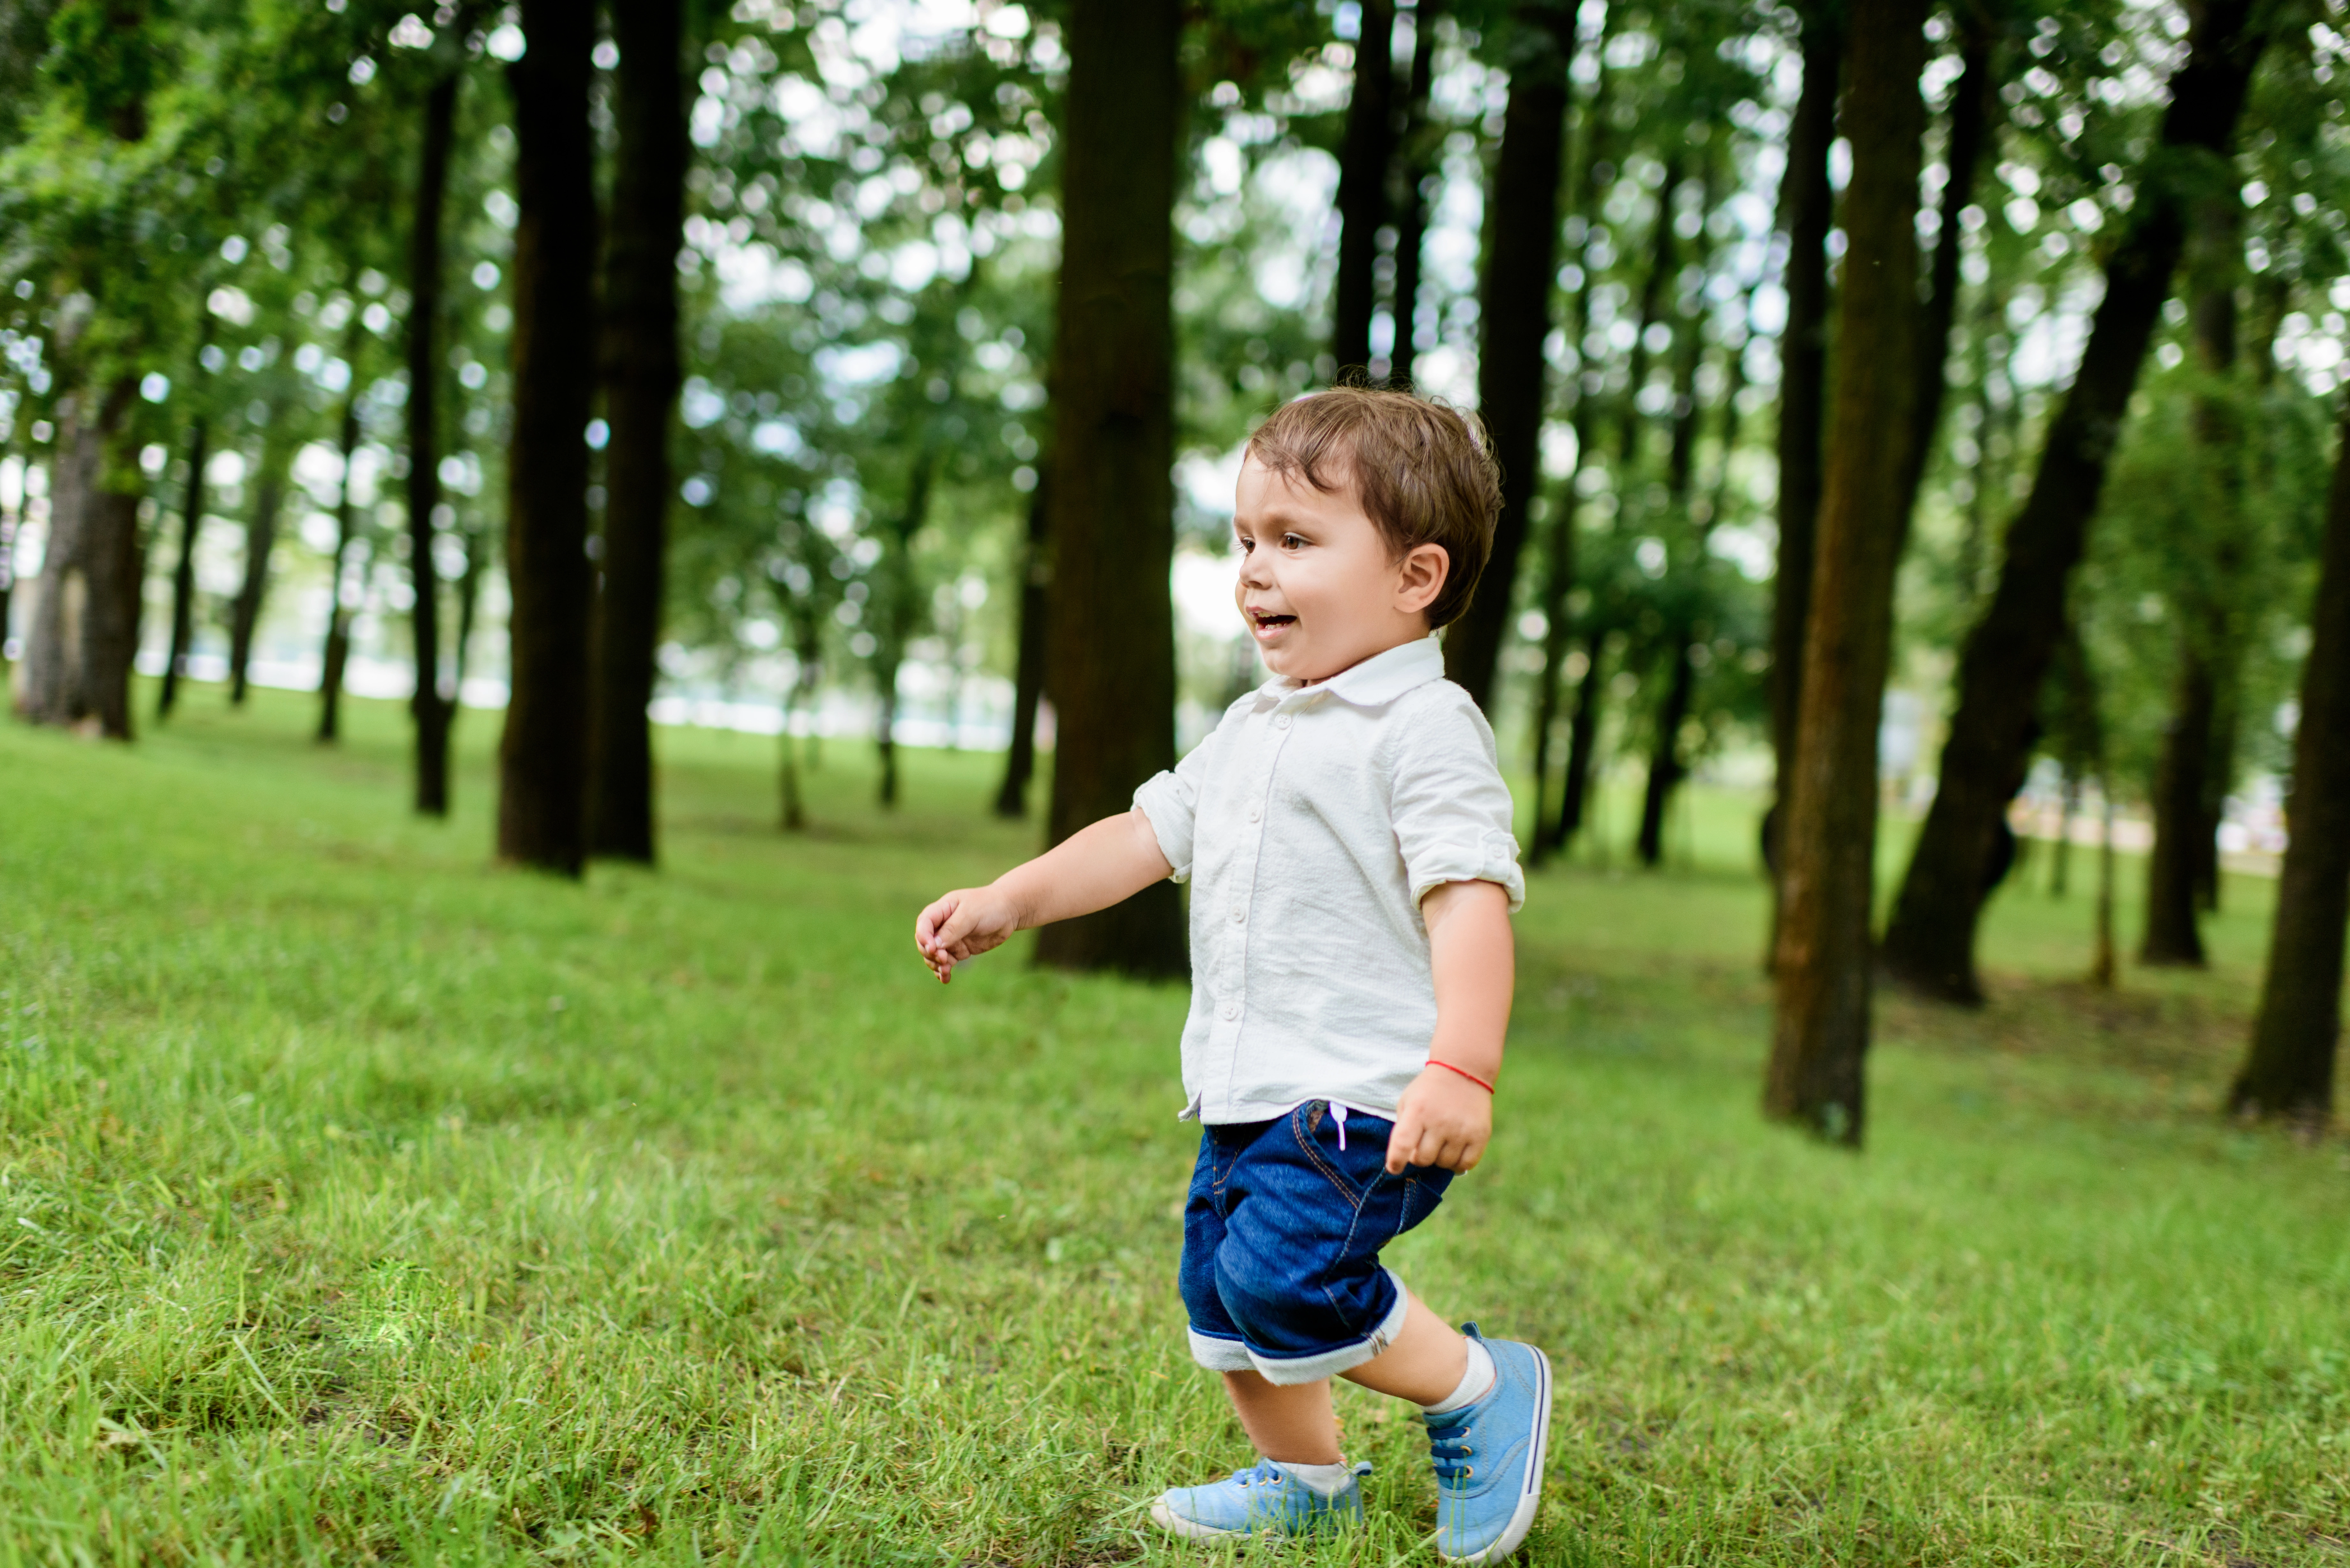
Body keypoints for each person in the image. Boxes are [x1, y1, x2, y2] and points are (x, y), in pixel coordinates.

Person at [914, 387, 1550, 1563]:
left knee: (1284, 1283)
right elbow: (1142, 836)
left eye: (1297, 542)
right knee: (1221, 1297)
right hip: (1246, 1086)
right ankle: (1306, 1481)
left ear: (1417, 577)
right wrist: (1012, 897)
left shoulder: (1423, 727)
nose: (1255, 571)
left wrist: (1463, 1066)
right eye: (1247, 540)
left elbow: (1470, 900)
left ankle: (1478, 1386)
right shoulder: (1256, 726)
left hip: (1365, 1096)